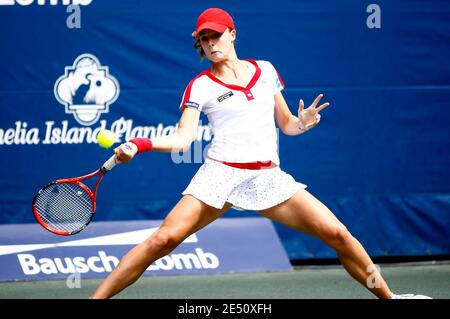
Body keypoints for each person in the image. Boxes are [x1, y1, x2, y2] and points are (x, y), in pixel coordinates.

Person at [91, 8, 431, 299]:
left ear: (232, 34)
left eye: (216, 36)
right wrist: (141, 143)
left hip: (267, 177)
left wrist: (303, 122)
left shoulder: (266, 71)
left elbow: (287, 125)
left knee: (338, 234)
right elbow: (183, 138)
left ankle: (390, 297)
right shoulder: (201, 85)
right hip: (220, 174)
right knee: (162, 240)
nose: (210, 44)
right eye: (204, 39)